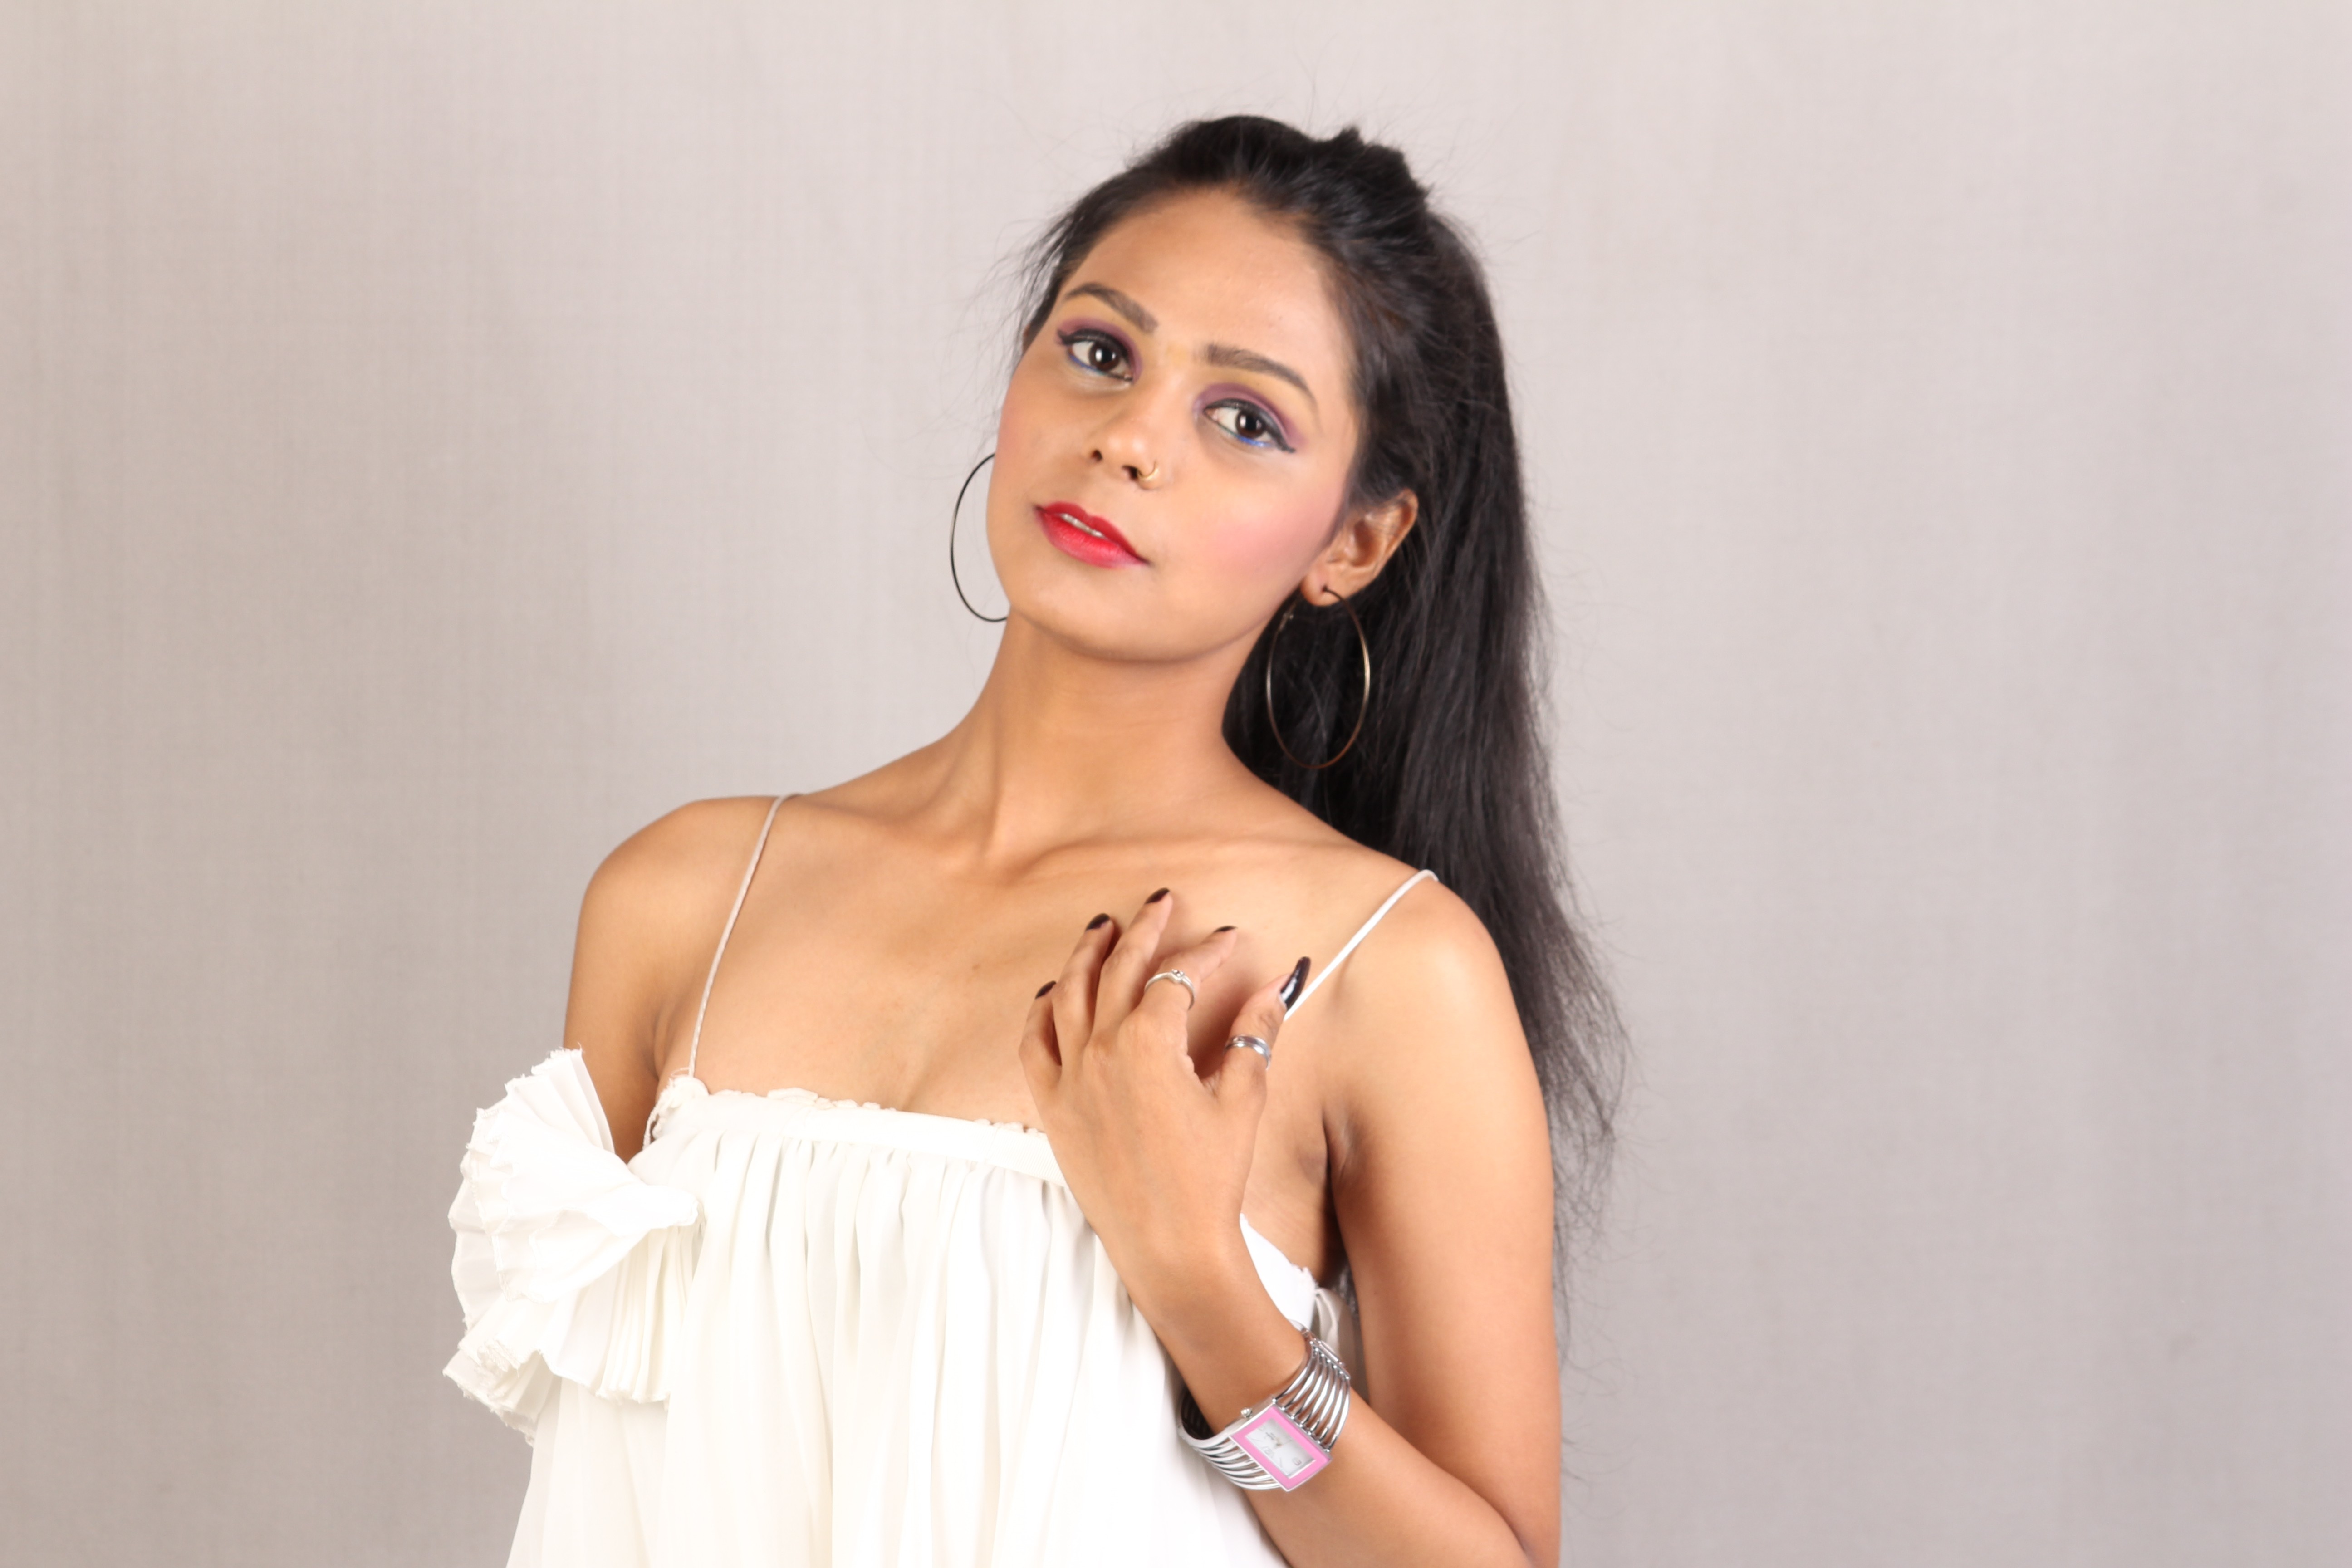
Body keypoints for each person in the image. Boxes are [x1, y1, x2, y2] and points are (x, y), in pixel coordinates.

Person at [446, 114, 1619, 1568]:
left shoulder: (1384, 971)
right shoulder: (685, 898)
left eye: (1245, 420)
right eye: (1101, 351)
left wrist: (1204, 1292)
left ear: (1354, 544)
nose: (1129, 439)